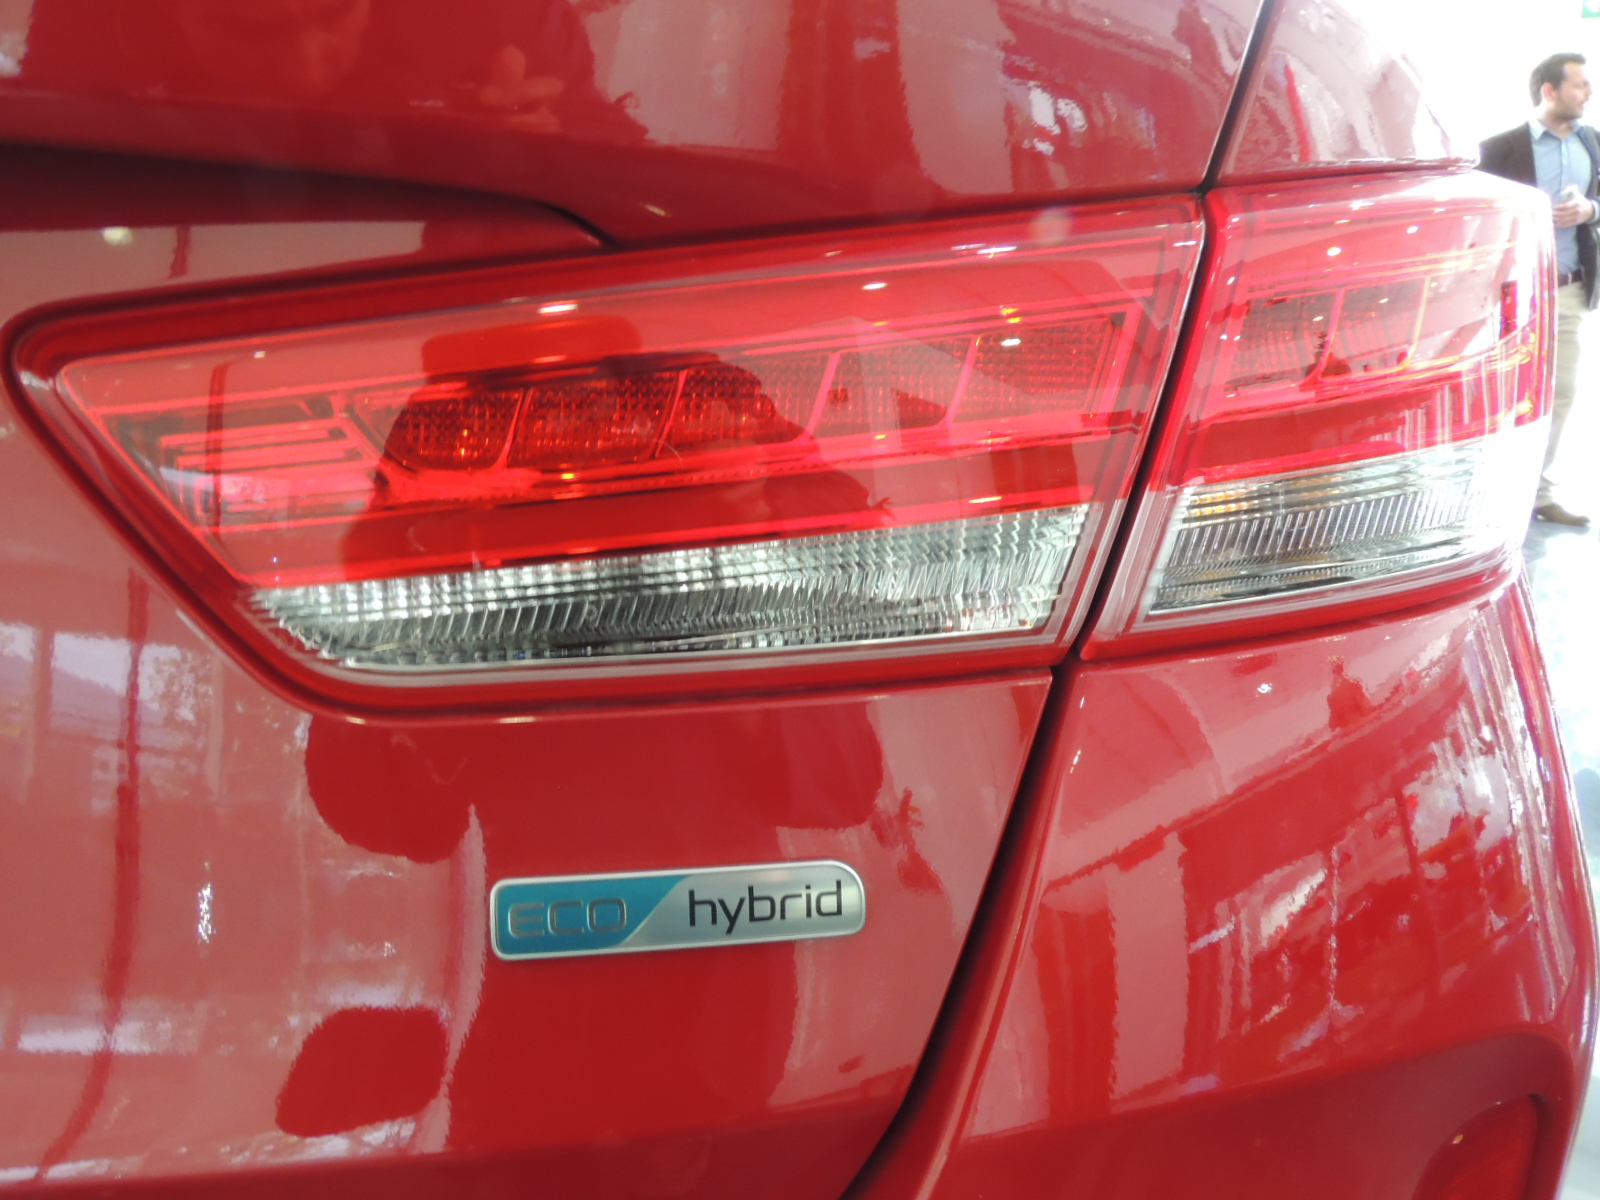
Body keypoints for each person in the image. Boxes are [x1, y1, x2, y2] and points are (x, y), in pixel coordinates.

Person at [1480, 53, 1600, 527]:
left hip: (1566, 288)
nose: (1588, 92)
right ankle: (1489, 493)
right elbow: (1480, 215)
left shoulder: (1593, 142)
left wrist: (1591, 211)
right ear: (1549, 91)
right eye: (1579, 84)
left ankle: (1538, 494)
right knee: (1502, 394)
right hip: (1511, 294)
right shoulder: (1499, 149)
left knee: (1562, 391)